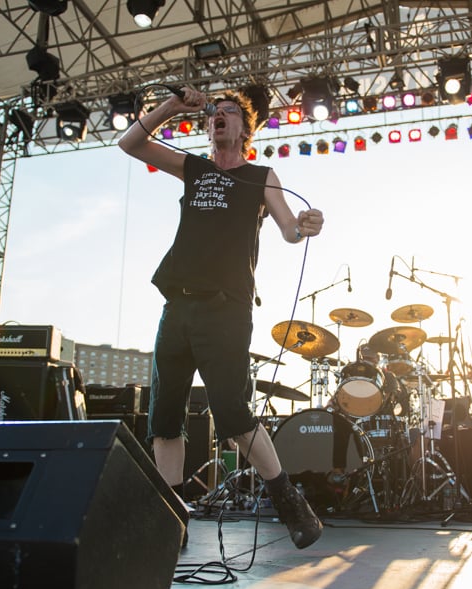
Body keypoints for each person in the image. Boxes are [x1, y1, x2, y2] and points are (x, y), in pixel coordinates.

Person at [118, 87, 325, 548]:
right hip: (178, 306)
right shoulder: (194, 168)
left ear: (244, 130)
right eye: (216, 112)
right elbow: (129, 144)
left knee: (232, 413)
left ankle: (289, 500)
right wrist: (172, 107)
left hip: (227, 308)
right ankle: (172, 519)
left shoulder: (261, 175)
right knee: (164, 418)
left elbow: (289, 229)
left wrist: (304, 226)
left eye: (231, 112)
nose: (221, 117)